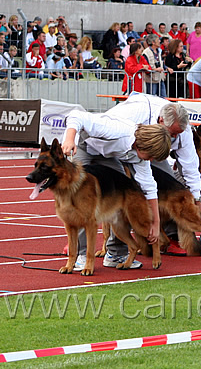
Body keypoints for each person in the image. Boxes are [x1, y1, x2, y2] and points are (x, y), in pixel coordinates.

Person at [61, 110, 172, 269]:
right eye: (151, 156)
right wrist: (70, 139)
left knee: (122, 193)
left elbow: (149, 187)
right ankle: (81, 254)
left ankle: (115, 252)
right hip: (86, 146)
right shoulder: (116, 130)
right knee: (80, 197)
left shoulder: (141, 157)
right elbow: (77, 116)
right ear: (143, 145)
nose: (151, 160)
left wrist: (156, 222)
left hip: (109, 155)